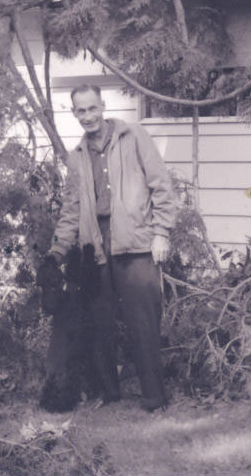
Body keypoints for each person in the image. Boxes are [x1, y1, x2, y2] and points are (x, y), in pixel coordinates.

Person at [44, 83, 179, 411]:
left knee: (144, 323)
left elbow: (161, 185)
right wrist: (57, 252)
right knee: (99, 323)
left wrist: (162, 233)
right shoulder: (76, 158)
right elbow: (71, 209)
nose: (88, 116)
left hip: (136, 243)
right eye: (81, 111)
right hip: (96, 247)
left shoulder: (133, 137)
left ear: (102, 106)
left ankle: (154, 399)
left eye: (92, 108)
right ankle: (110, 394)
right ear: (73, 113)